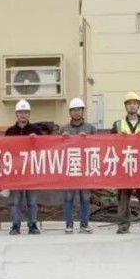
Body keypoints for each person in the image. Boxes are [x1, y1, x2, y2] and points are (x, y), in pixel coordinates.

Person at [107, 92, 140, 234]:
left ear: (138, 106)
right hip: (125, 166)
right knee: (123, 198)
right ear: (125, 106)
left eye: (134, 103)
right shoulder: (118, 125)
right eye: (129, 103)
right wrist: (119, 138)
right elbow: (110, 145)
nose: (132, 106)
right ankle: (123, 225)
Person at [60, 98, 96, 234]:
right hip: (69, 168)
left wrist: (88, 139)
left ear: (83, 111)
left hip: (85, 168)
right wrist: (62, 138)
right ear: (70, 112)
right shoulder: (64, 129)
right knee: (68, 198)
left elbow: (98, 145)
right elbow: (55, 147)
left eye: (79, 110)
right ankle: (69, 224)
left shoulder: (90, 128)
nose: (76, 112)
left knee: (85, 198)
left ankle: (84, 224)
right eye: (74, 110)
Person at [5, 100, 41, 235]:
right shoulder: (10, 132)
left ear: (29, 114)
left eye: (25, 112)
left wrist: (36, 140)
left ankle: (33, 224)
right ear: (16, 114)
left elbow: (43, 148)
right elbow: (4, 150)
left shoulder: (36, 131)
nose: (23, 114)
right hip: (16, 172)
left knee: (32, 201)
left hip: (31, 171)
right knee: (16, 201)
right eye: (20, 112)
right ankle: (15, 225)